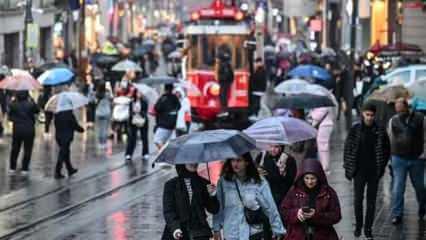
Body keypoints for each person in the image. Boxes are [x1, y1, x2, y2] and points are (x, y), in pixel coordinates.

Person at [343, 102, 390, 238]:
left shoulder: (380, 130)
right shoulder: (356, 129)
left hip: (374, 171)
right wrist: (348, 166)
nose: (369, 117)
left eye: (372, 115)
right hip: (358, 171)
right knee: (358, 200)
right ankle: (358, 225)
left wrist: (381, 166)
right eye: (367, 114)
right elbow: (348, 149)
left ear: (375, 116)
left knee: (371, 201)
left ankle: (368, 228)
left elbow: (386, 149)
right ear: (362, 114)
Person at [213, 153, 286, 240]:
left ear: (246, 162)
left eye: (239, 160)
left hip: (253, 232)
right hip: (231, 233)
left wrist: (277, 228)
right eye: (232, 160)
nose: (235, 164)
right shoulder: (224, 182)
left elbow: (270, 206)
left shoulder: (259, 181)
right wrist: (216, 229)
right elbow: (219, 207)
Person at [280, 159, 341, 240]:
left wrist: (316, 215)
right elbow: (284, 211)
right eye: (307, 178)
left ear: (318, 178)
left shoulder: (328, 192)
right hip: (297, 235)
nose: (309, 182)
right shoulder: (294, 191)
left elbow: (336, 215)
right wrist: (297, 213)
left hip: (323, 235)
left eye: (313, 178)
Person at [388, 98, 425, 225]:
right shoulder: (393, 120)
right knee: (398, 187)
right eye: (396, 108)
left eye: (400, 107)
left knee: (420, 186)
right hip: (399, 158)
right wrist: (390, 158)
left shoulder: (420, 118)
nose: (397, 110)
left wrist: (424, 153)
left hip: (416, 158)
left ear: (406, 107)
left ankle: (423, 207)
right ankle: (397, 214)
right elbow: (390, 139)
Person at [162, 164, 220, 240]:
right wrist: (175, 228)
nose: (194, 163)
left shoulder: (204, 183)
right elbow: (168, 210)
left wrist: (212, 195)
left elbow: (214, 209)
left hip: (199, 233)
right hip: (178, 233)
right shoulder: (171, 185)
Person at [256, 145, 297, 240]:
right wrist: (257, 173)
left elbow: (290, 182)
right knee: (266, 227)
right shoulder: (261, 156)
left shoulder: (288, 159)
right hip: (264, 199)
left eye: (276, 146)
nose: (273, 149)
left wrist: (280, 173)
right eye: (270, 146)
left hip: (281, 199)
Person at [8, 91, 39, 175]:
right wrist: (32, 100)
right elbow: (37, 110)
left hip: (17, 129)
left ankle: (12, 167)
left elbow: (10, 118)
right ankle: (24, 168)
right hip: (29, 129)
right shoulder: (31, 104)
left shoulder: (13, 104)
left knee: (15, 149)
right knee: (27, 149)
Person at [54, 108, 84, 179]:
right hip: (66, 137)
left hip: (59, 136)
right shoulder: (69, 114)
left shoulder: (57, 114)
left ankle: (70, 169)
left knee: (66, 152)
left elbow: (56, 124)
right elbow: (74, 125)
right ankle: (57, 171)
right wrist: (81, 129)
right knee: (63, 153)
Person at [153, 84, 181, 150]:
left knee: (157, 141)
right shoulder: (175, 98)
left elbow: (156, 108)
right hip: (172, 124)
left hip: (163, 124)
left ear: (165, 89)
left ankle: (164, 154)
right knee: (168, 142)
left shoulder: (163, 98)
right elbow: (179, 107)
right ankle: (167, 154)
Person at [309, 107, 335, 175]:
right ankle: (324, 167)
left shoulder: (323, 104)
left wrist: (311, 112)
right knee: (323, 147)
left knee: (323, 148)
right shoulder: (329, 98)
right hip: (325, 125)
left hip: (324, 126)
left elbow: (317, 116)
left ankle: (325, 168)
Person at [125, 91, 149, 161]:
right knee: (132, 138)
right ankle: (128, 154)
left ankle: (145, 153)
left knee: (144, 137)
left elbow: (145, 112)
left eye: (141, 93)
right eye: (138, 93)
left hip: (142, 121)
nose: (139, 94)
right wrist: (133, 112)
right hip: (133, 121)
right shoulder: (132, 102)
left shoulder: (144, 101)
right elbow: (129, 112)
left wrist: (139, 111)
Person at [95, 81, 113, 149]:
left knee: (100, 128)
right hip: (106, 112)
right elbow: (112, 99)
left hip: (99, 112)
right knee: (105, 128)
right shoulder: (107, 93)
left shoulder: (97, 93)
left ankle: (100, 143)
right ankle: (104, 143)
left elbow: (95, 102)